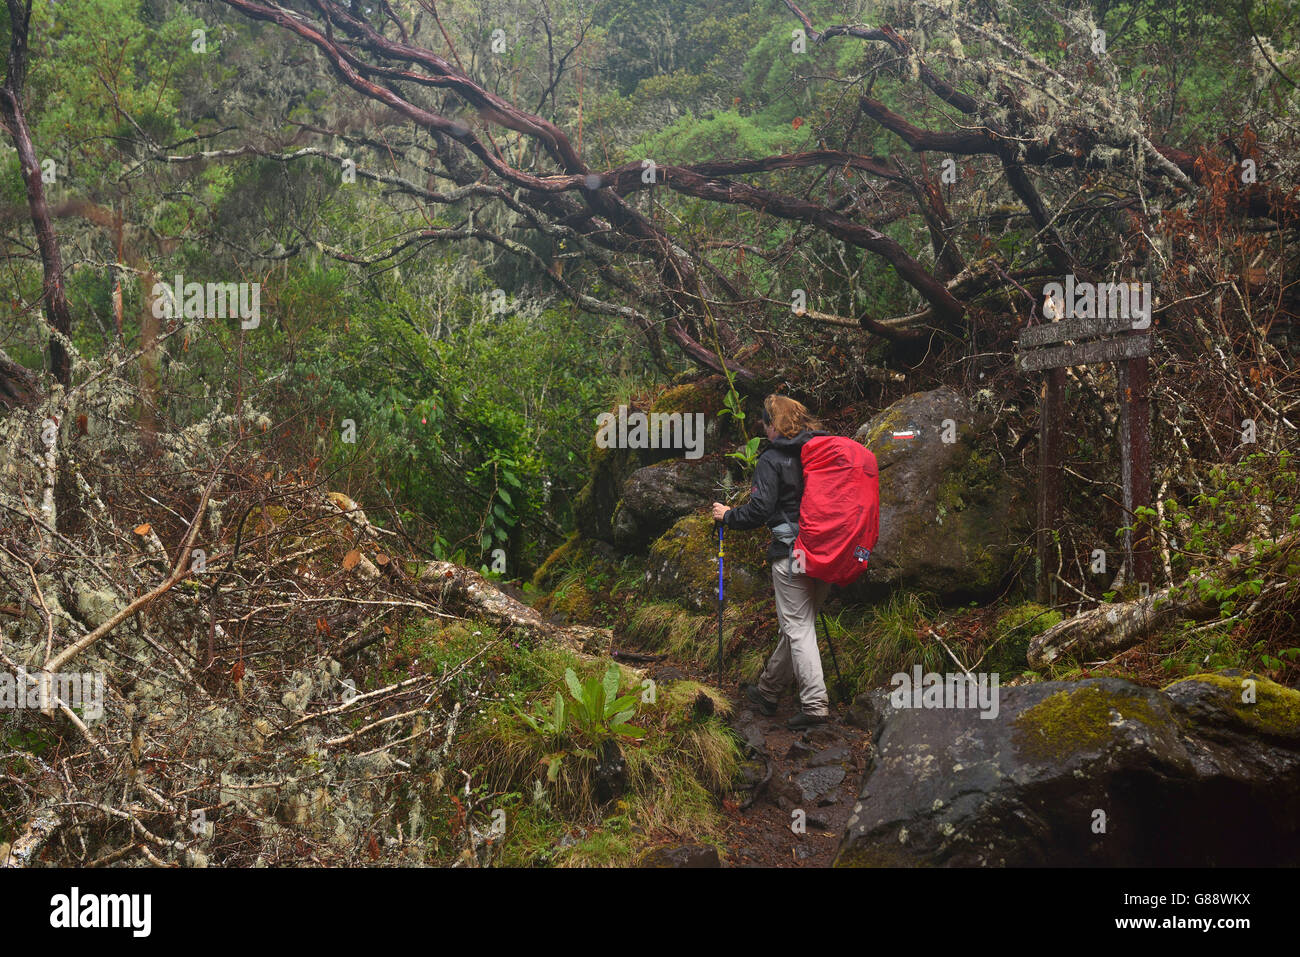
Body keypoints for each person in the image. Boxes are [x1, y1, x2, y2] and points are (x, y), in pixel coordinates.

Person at [711, 395, 831, 729]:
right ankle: (768, 691)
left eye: (764, 423)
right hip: (829, 550)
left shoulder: (772, 458)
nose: (763, 430)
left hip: (793, 552)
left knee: (797, 627)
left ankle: (815, 706)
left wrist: (727, 516)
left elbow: (759, 510)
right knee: (797, 626)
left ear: (771, 424)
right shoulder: (819, 452)